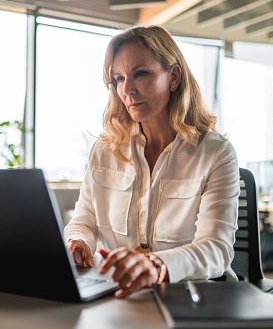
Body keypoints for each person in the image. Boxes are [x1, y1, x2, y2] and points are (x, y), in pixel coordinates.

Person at [64, 25, 240, 298]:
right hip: (121, 295)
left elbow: (216, 249)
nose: (128, 90)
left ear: (173, 77)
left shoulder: (216, 153)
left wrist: (156, 265)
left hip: (194, 295)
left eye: (140, 74)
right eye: (118, 79)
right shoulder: (104, 150)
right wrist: (80, 242)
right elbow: (84, 221)